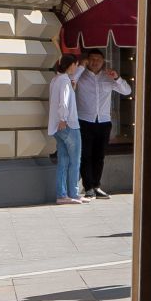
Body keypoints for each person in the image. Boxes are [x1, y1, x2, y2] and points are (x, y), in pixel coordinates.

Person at [72, 50, 131, 199]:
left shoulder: (108, 77)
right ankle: (88, 187)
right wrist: (81, 67)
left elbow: (127, 91)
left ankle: (96, 186)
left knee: (99, 156)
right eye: (92, 59)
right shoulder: (82, 76)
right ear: (88, 60)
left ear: (103, 61)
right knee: (85, 155)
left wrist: (117, 78)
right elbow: (71, 81)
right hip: (85, 120)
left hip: (103, 122)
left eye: (98, 59)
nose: (95, 62)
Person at [47, 54, 84, 205]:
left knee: (63, 161)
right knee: (75, 160)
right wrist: (63, 118)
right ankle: (73, 193)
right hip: (69, 125)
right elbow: (64, 101)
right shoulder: (65, 80)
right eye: (76, 65)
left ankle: (62, 195)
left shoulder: (55, 80)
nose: (76, 67)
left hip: (56, 126)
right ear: (72, 65)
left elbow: (58, 100)